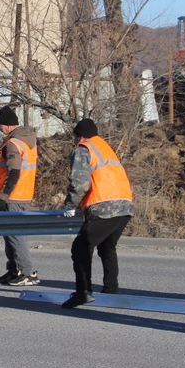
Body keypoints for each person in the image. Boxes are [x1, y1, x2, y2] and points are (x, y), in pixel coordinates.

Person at [61, 119, 135, 309]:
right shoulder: (105, 148)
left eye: (75, 137)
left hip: (104, 207)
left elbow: (80, 182)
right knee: (107, 247)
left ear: (80, 136)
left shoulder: (83, 149)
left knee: (81, 247)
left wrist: (71, 204)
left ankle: (83, 292)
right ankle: (111, 289)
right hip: (125, 205)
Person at [0, 105, 40, 286]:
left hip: (14, 196)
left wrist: (3, 196)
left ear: (8, 125)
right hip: (22, 194)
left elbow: (14, 173)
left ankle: (27, 272)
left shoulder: (13, 143)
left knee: (16, 235)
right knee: (10, 235)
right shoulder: (26, 140)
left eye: (0, 125)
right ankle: (14, 270)